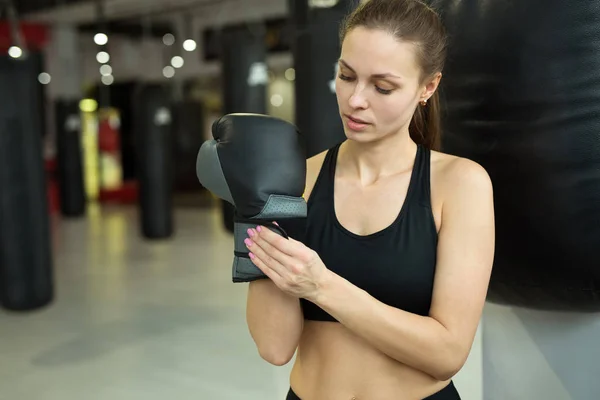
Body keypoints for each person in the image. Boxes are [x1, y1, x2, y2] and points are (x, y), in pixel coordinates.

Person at [244, 0, 495, 399]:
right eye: (346, 76)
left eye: (382, 87)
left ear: (427, 87)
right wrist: (254, 206)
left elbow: (448, 353)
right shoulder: (296, 180)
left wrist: (322, 287)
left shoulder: (459, 183)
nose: (355, 100)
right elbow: (274, 347)